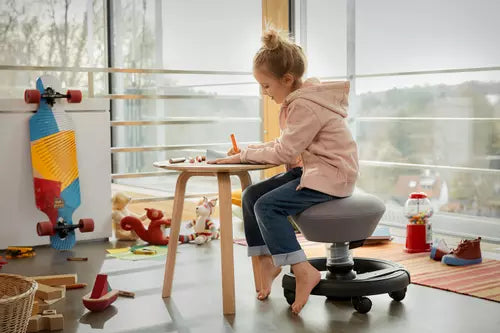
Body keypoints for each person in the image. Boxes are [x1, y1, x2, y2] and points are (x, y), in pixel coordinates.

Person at [208, 29, 359, 314]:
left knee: (267, 206)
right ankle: (267, 258)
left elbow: (285, 152)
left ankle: (302, 270)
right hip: (313, 170)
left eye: (266, 86)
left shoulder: (304, 105)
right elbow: (287, 145)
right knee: (252, 195)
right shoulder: (302, 99)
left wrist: (245, 155)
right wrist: (247, 153)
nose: (264, 93)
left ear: (287, 80)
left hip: (331, 175)